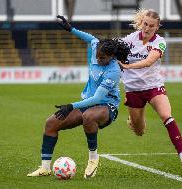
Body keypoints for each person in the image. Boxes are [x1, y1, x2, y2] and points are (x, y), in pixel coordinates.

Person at [27, 15, 130, 179]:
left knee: (89, 116)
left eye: (102, 58)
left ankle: (93, 158)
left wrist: (71, 106)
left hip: (106, 107)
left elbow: (97, 99)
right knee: (51, 123)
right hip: (87, 103)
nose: (97, 59)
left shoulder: (113, 71)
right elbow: (90, 38)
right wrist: (71, 29)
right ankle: (45, 167)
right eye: (97, 55)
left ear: (111, 57)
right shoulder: (98, 46)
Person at [118, 9, 182, 170]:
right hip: (133, 90)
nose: (146, 28)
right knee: (139, 131)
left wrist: (127, 66)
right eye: (145, 24)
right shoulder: (130, 39)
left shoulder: (159, 41)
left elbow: (148, 61)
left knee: (166, 115)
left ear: (157, 27)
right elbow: (115, 49)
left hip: (154, 87)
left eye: (151, 26)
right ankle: (133, 121)